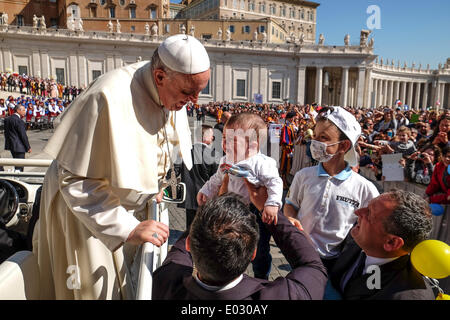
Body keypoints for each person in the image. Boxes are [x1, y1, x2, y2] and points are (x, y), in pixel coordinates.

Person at [32, 34, 211, 299]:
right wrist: (126, 228)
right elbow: (75, 179)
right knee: (92, 291)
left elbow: (159, 145)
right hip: (83, 214)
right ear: (160, 76)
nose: (195, 100)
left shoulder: (172, 90)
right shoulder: (108, 95)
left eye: (199, 91)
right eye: (188, 92)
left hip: (122, 209)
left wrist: (154, 187)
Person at [152, 191, 328, 300]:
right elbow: (312, 265)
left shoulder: (166, 282)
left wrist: (212, 208)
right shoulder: (284, 295)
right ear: (253, 254)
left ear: (190, 244)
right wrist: (269, 213)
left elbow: (181, 249)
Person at [284, 106, 379, 271]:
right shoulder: (303, 176)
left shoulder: (365, 188)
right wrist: (291, 218)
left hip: (338, 264)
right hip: (300, 255)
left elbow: (370, 227)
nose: (315, 142)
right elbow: (290, 205)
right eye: (315, 135)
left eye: (324, 138)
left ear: (343, 146)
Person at [197, 112, 283, 280]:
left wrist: (272, 204)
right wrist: (206, 191)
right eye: (224, 138)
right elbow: (216, 178)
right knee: (230, 246)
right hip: (231, 210)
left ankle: (261, 277)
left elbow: (275, 183)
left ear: (253, 145)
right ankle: (233, 275)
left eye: (233, 141)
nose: (225, 144)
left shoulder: (262, 163)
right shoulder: (225, 160)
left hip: (255, 213)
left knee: (260, 250)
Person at [328, 190, 435, 300]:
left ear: (392, 242)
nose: (358, 212)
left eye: (369, 213)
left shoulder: (408, 296)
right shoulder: (361, 239)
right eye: (367, 206)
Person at [179, 124, 218, 229]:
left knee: (190, 227)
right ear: (204, 137)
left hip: (188, 195)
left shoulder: (185, 151)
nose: (213, 138)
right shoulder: (212, 154)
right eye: (212, 135)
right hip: (205, 196)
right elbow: (216, 177)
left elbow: (175, 170)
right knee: (202, 228)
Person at [3, 105, 31, 172]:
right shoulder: (19, 120)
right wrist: (28, 147)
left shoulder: (7, 119)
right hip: (19, 146)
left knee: (16, 164)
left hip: (11, 144)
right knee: (20, 166)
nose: (25, 112)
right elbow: (23, 135)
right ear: (18, 111)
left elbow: (6, 133)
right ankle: (18, 178)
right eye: (23, 110)